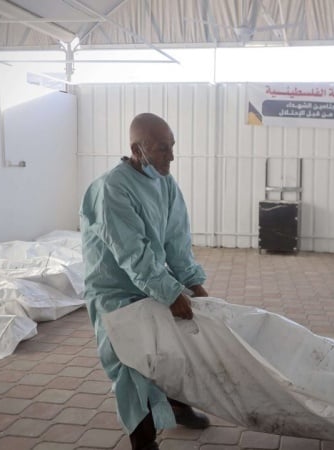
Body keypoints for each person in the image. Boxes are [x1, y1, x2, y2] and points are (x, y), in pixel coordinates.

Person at [80, 113, 210, 450]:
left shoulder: (165, 183)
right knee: (130, 362)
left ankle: (177, 405)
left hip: (149, 282)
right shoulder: (112, 188)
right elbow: (132, 253)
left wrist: (192, 283)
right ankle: (143, 438)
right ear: (137, 150)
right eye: (162, 149)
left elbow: (177, 240)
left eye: (172, 147)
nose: (171, 156)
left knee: (175, 347)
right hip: (114, 291)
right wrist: (170, 293)